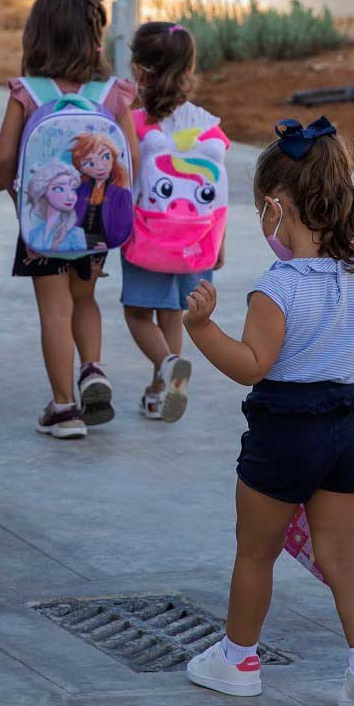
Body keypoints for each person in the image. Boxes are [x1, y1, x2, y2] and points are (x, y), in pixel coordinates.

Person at [180, 118, 354, 706]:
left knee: (256, 553)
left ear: (276, 207)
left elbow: (253, 365)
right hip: (348, 431)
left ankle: (238, 659)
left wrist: (201, 329)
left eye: (259, 211)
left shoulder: (276, 288)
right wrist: (348, 414)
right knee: (343, 560)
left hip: (284, 434)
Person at [0, 0, 140, 438]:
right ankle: (92, 369)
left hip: (42, 227)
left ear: (38, 39)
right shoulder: (112, 93)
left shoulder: (27, 92)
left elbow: (6, 161)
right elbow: (130, 157)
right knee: (86, 298)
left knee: (54, 311)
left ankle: (65, 408)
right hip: (93, 226)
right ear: (94, 38)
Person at [120, 21, 228, 422]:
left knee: (137, 314)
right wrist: (219, 247)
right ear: (188, 72)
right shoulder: (210, 127)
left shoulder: (135, 123)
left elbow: (125, 179)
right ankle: (159, 392)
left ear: (138, 71)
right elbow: (218, 195)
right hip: (197, 244)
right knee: (172, 314)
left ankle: (166, 366)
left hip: (149, 239)